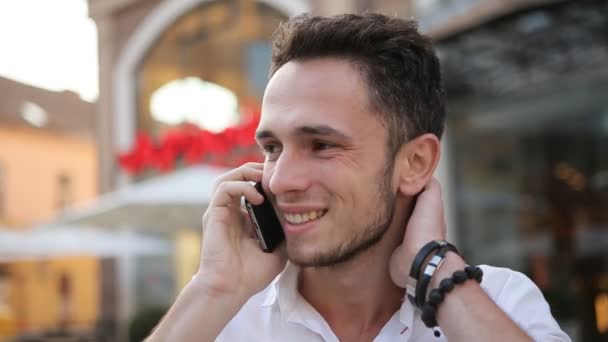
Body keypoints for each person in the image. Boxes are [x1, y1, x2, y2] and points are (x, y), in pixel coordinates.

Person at [147, 13, 570, 341]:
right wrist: (214, 290)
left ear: (416, 163)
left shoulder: (497, 302)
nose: (279, 181)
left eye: (322, 145)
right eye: (273, 148)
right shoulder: (223, 317)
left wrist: (436, 272)